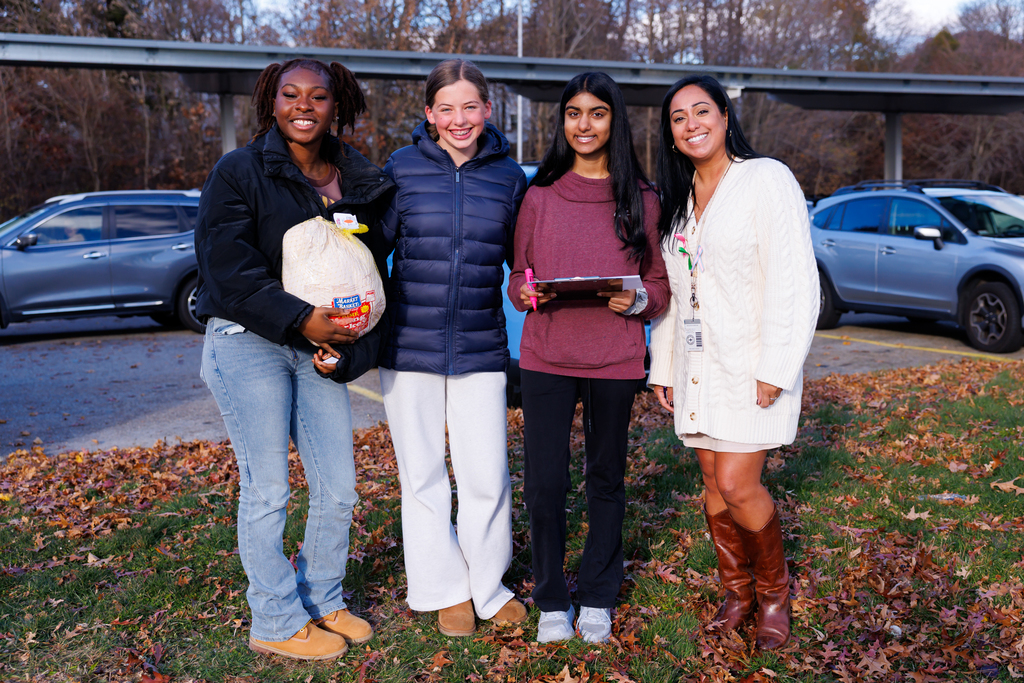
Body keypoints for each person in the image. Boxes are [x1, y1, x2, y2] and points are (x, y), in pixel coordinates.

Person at [194, 58, 395, 661]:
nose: (303, 106)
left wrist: (348, 347)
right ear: (271, 102)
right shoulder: (238, 171)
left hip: (321, 347)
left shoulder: (359, 179)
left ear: (338, 105)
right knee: (268, 490)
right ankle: (275, 618)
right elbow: (227, 273)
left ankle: (323, 596)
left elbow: (372, 276)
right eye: (290, 95)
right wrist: (300, 318)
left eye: (317, 96)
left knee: (338, 488)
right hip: (246, 341)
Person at [647, 74, 818, 650]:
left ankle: (773, 595)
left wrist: (778, 365)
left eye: (702, 111)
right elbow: (675, 296)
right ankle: (736, 591)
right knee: (712, 485)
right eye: (679, 118)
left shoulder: (766, 179)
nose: (692, 124)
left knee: (738, 482)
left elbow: (795, 280)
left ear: (724, 116)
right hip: (698, 367)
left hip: (752, 365)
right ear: (670, 134)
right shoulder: (679, 205)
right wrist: (664, 367)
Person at [358, 58, 528, 637]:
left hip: (481, 345)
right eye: (446, 108)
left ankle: (488, 586)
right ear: (429, 114)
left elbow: (521, 262)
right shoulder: (400, 169)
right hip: (409, 346)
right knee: (423, 475)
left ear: (487, 110)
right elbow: (371, 248)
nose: (460, 119)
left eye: (470, 107)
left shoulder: (509, 178)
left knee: (487, 474)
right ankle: (443, 589)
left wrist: (524, 284)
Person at [507, 72, 669, 644]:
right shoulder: (540, 195)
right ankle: (552, 598)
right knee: (545, 484)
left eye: (596, 113)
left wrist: (640, 300)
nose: (584, 124)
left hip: (615, 358)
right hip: (547, 355)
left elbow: (657, 283)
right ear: (562, 122)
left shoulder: (642, 198)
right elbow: (518, 277)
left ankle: (598, 594)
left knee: (605, 478)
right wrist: (522, 293)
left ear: (614, 121)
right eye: (573, 113)